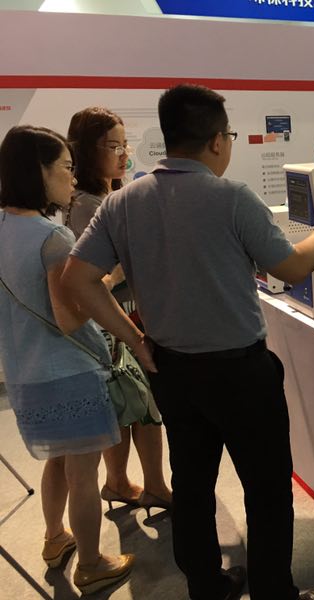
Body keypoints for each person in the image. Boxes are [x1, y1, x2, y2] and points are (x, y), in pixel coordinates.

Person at [61, 84, 314, 600]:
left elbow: (78, 278)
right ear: (215, 141)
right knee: (267, 488)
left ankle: (207, 586)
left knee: (192, 483)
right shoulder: (232, 198)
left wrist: (135, 339)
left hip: (172, 370)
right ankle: (274, 593)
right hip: (240, 372)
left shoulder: (124, 201)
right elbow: (293, 267)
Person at [0, 125, 134, 594]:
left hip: (25, 374)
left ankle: (56, 538)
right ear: (37, 171)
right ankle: (93, 564)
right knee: (83, 475)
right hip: (69, 373)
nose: (73, 179)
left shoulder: (3, 227)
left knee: (56, 463)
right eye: (65, 168)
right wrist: (106, 279)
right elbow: (70, 318)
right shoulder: (51, 236)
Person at [66, 106, 172, 515]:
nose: (123, 153)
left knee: (129, 405)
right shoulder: (88, 204)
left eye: (125, 144)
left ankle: (120, 482)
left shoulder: (106, 196)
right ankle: (151, 485)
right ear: (85, 150)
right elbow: (91, 276)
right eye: (113, 146)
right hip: (113, 320)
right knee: (141, 405)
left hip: (123, 314)